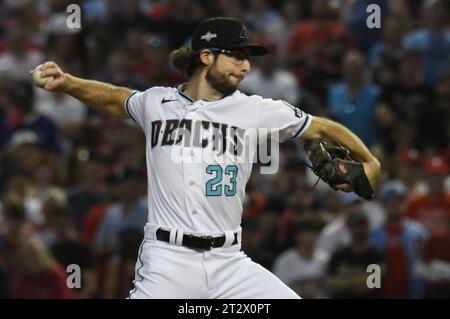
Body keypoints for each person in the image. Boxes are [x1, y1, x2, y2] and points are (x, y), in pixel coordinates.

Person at [33, 17, 380, 299]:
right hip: (168, 260)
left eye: (248, 57)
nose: (245, 66)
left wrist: (370, 161)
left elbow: (321, 128)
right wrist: (67, 83)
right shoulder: (157, 103)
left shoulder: (256, 110)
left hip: (230, 263)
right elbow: (115, 98)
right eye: (236, 55)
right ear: (206, 56)